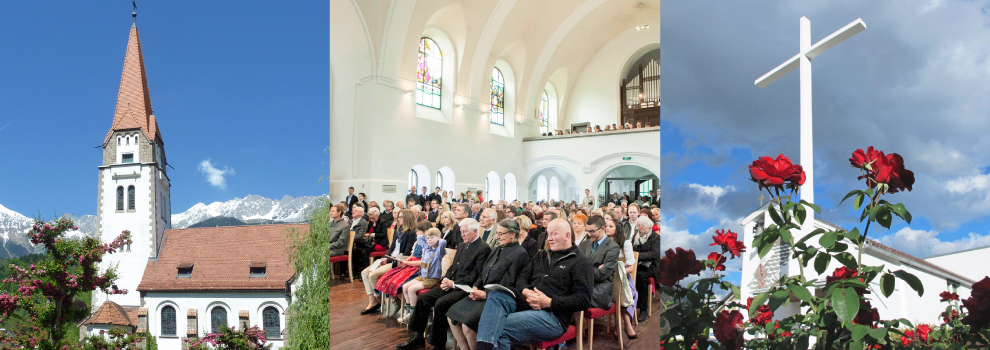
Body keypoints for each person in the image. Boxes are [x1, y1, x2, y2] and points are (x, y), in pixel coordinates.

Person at [474, 218, 593, 350]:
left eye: (554, 234)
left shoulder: (581, 262)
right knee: (496, 295)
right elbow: (522, 278)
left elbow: (584, 300)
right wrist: (526, 291)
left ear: (567, 235)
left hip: (553, 317)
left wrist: (549, 302)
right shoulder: (542, 256)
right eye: (548, 234)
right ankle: (483, 346)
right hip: (527, 305)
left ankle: (483, 346)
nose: (549, 238)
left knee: (495, 326)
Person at [398, 218, 492, 350]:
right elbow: (453, 267)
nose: (462, 235)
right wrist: (445, 280)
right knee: (423, 298)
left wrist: (453, 283)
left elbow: (477, 276)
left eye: (465, 232)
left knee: (441, 304)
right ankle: (418, 337)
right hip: (451, 284)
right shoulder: (462, 245)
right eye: (461, 232)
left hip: (464, 288)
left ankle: (438, 344)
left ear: (475, 231)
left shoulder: (484, 248)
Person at [447, 219, 531, 349]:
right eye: (497, 233)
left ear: (513, 234)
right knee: (451, 314)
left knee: (467, 325)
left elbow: (509, 283)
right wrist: (475, 287)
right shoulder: (498, 248)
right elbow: (484, 272)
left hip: (497, 299)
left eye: (501, 234)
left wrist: (485, 294)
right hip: (481, 292)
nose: (497, 237)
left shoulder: (520, 253)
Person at [360, 210, 418, 315]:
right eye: (398, 216)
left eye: (401, 217)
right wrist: (384, 258)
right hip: (390, 258)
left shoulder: (412, 233)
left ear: (407, 218)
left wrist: (389, 260)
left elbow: (406, 253)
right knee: (364, 273)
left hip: (397, 262)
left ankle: (384, 299)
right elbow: (391, 248)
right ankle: (374, 301)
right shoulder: (399, 230)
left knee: (373, 275)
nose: (398, 219)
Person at [401, 227, 447, 322]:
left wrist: (438, 238)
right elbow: (419, 238)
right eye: (428, 238)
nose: (429, 239)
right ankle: (409, 312)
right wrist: (428, 237)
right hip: (423, 277)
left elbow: (443, 242)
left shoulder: (438, 251)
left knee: (411, 289)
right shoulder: (426, 248)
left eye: (432, 237)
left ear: (438, 237)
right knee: (405, 287)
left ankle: (414, 316)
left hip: (433, 279)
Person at [578, 215, 621, 310]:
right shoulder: (584, 244)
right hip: (582, 284)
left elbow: (602, 274)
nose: (589, 234)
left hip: (599, 289)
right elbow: (574, 265)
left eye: (592, 231)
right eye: (587, 231)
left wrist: (581, 270)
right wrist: (593, 269)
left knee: (572, 296)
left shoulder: (613, 247)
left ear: (603, 229)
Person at [605, 218, 638, 338]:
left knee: (624, 291)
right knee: (621, 292)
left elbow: (631, 268)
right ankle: (625, 325)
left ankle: (624, 324)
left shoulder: (625, 243)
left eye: (610, 226)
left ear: (618, 229)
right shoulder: (604, 242)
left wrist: (618, 271)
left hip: (622, 276)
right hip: (606, 277)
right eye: (607, 226)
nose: (607, 228)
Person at [631, 215, 661, 323]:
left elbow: (654, 254)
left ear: (648, 225)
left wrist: (637, 255)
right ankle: (630, 306)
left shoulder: (655, 238)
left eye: (642, 225)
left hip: (652, 265)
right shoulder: (636, 236)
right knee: (628, 273)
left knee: (640, 275)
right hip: (638, 263)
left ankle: (643, 308)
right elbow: (631, 249)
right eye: (639, 225)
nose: (640, 227)